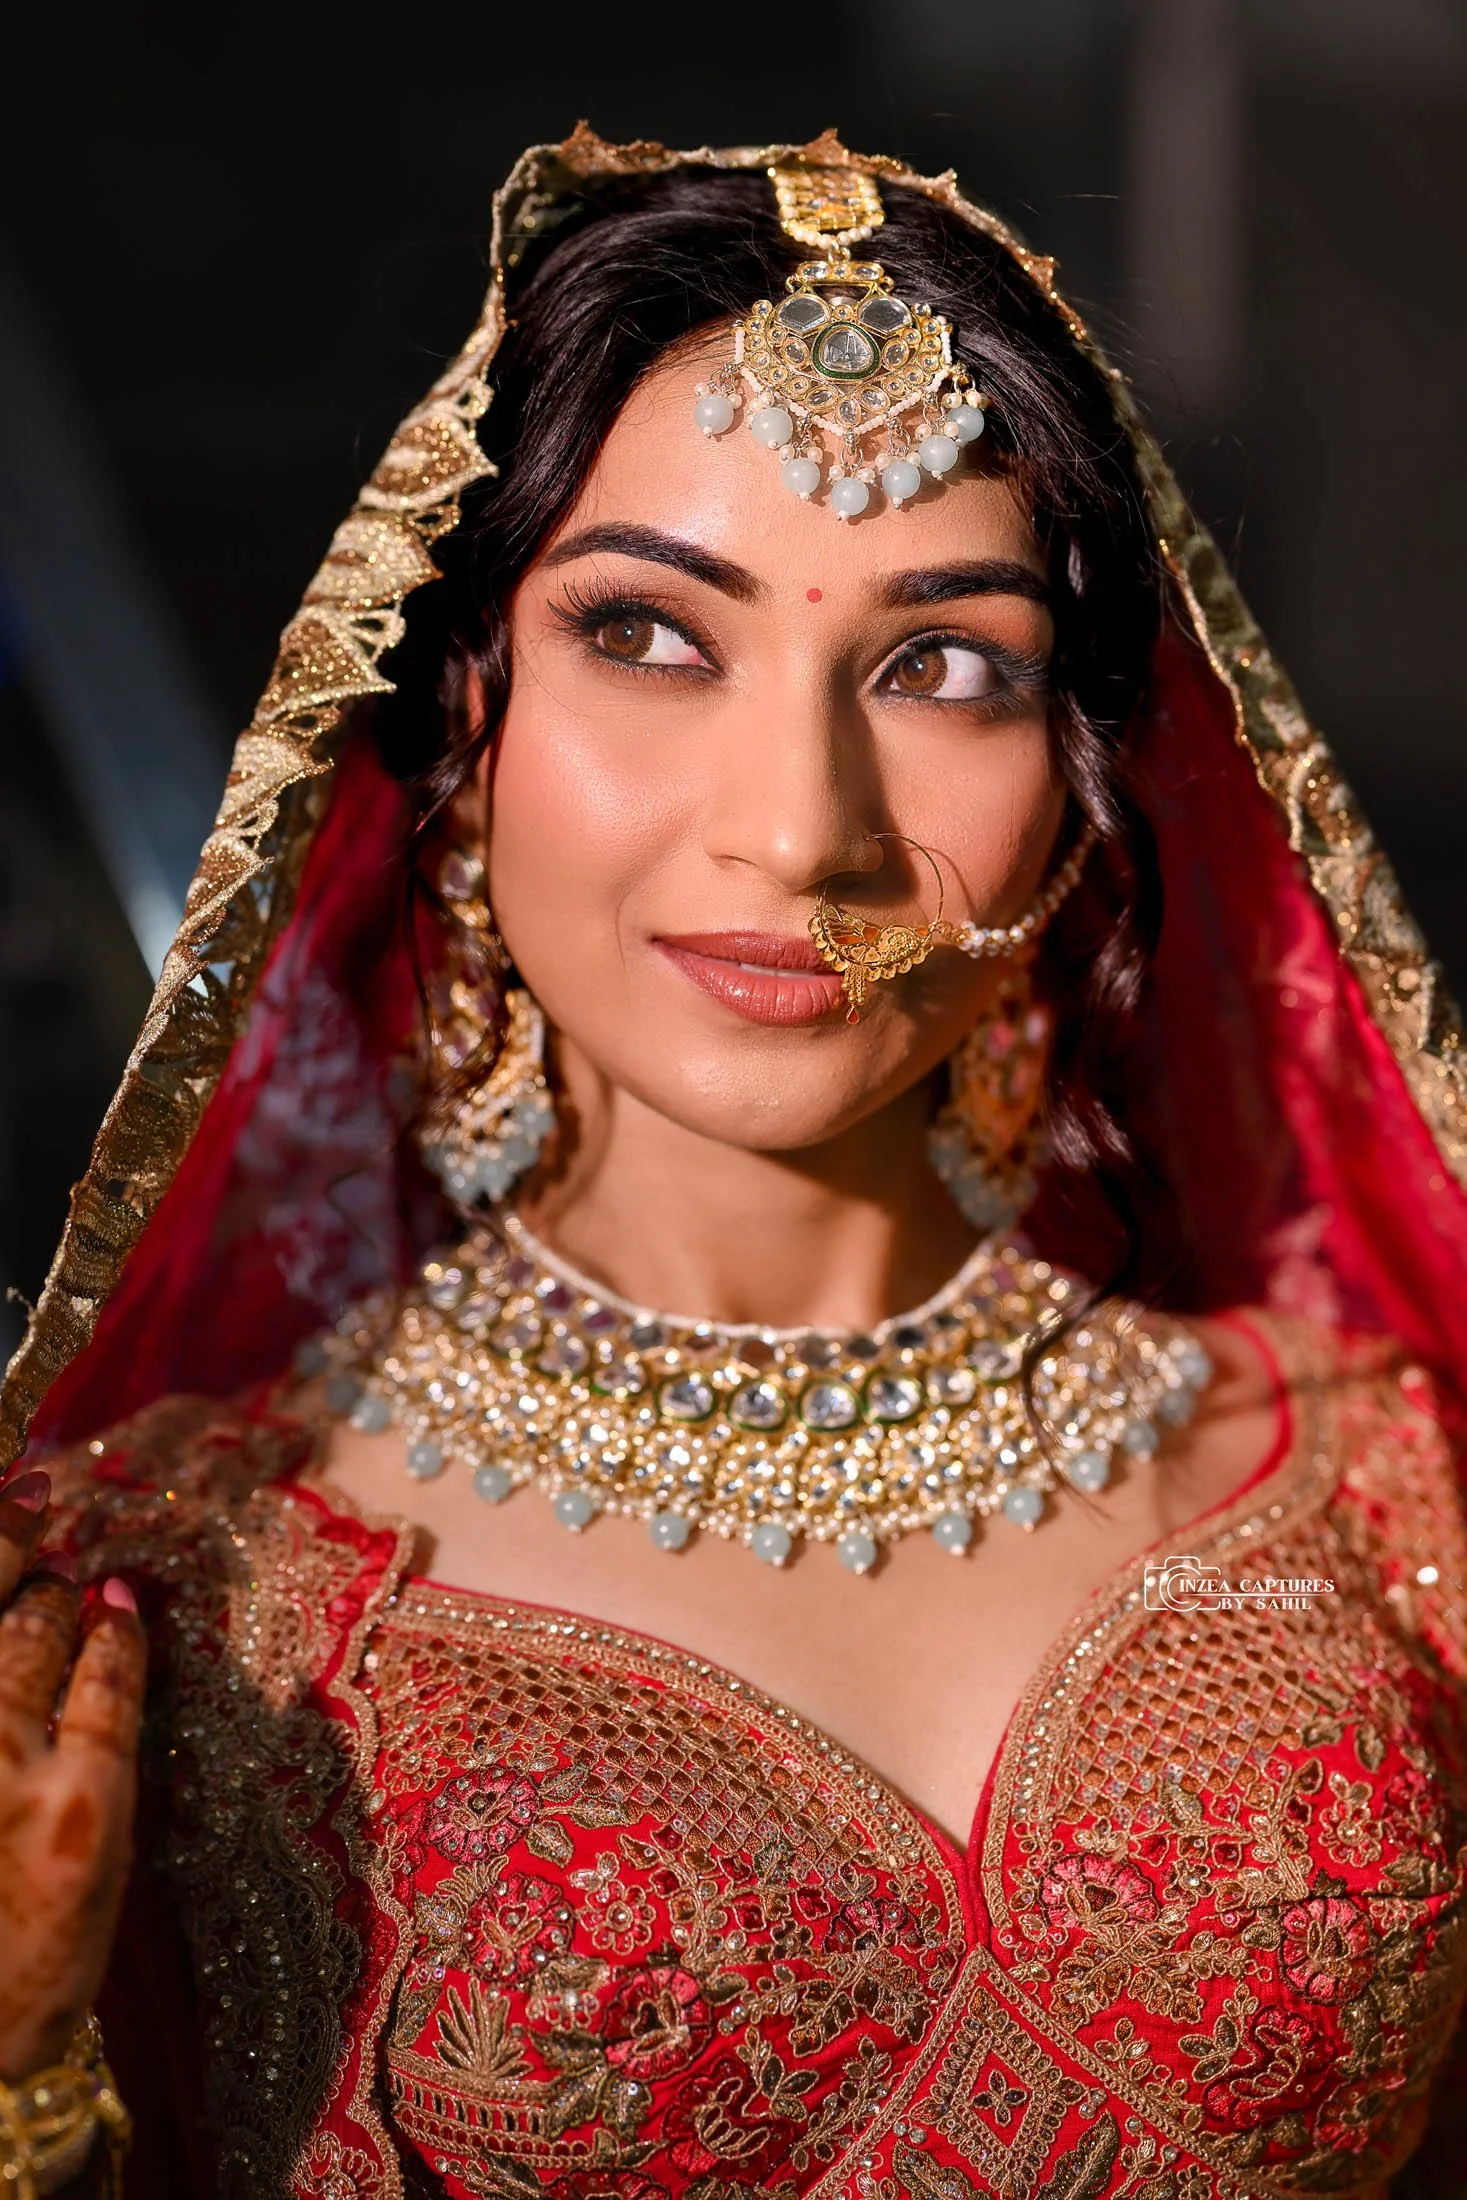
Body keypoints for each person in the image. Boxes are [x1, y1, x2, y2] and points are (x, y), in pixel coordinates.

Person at [0, 126, 1464, 2199]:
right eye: (651, 636)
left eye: (946, 661)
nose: (801, 830)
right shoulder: (159, 1598)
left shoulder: (1379, 1486)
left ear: (1082, 785)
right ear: (463, 704)